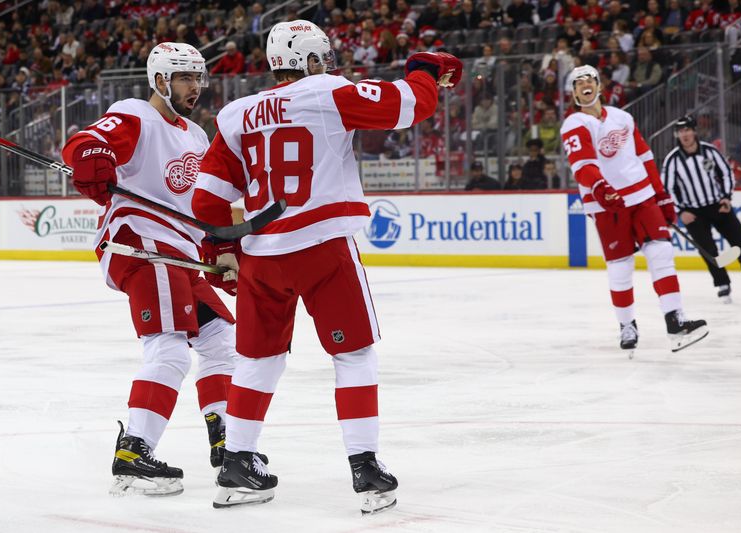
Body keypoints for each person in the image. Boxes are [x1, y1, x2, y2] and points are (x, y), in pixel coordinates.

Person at [192, 20, 462, 513]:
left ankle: (236, 463)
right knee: (354, 354)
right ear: (312, 60)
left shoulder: (236, 114)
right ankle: (365, 468)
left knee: (257, 360)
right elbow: (410, 105)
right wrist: (424, 70)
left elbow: (208, 199)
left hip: (262, 258)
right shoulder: (328, 92)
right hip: (322, 246)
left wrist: (218, 251)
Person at [61, 43, 244, 497]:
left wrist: (218, 250)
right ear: (160, 80)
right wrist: (91, 159)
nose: (195, 87)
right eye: (185, 78)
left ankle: (226, 441)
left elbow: (199, 207)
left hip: (179, 252)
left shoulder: (197, 137)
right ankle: (134, 452)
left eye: (198, 78)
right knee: (169, 348)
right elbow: (85, 142)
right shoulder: (136, 115)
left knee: (222, 341)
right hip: (141, 243)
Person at [560, 65, 707, 355]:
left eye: (590, 80)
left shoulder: (622, 117)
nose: (585, 85)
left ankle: (675, 321)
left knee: (661, 252)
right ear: (574, 93)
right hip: (607, 205)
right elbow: (583, 166)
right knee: (620, 266)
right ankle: (627, 325)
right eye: (578, 83)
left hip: (642, 195)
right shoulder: (574, 124)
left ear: (600, 86)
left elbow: (645, 156)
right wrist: (601, 188)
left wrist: (662, 196)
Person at [662, 115, 741, 303]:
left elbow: (726, 173)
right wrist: (680, 211)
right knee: (709, 251)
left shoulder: (710, 151)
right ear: (677, 135)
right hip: (693, 213)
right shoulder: (672, 160)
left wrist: (727, 197)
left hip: (718, 207)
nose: (684, 134)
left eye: (687, 130)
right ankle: (723, 284)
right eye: (680, 131)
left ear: (694, 131)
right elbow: (667, 190)